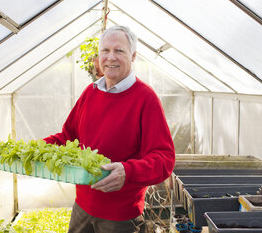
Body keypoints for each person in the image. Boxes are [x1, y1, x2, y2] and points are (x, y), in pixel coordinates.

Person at [43, 25, 175, 233]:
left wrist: (128, 171)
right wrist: (35, 149)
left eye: (119, 51)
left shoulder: (145, 99)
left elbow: (164, 159)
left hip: (120, 218)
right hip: (82, 209)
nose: (110, 57)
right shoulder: (90, 92)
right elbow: (68, 137)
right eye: (105, 50)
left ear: (133, 56)